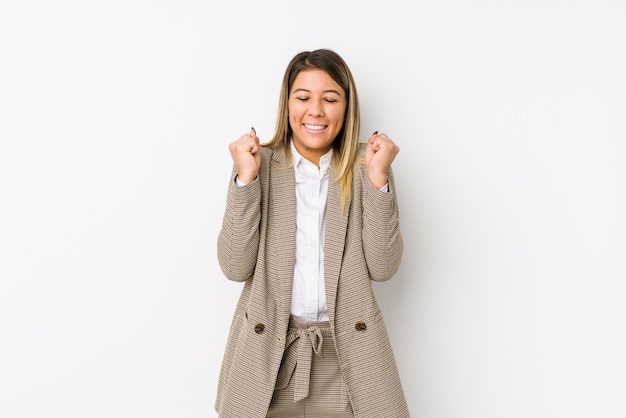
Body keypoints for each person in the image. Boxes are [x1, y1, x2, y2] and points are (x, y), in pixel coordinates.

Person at [215, 48, 409, 417]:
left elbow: (383, 267)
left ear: (347, 107)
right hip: (270, 356)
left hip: (348, 356)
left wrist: (379, 179)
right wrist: (245, 179)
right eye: (303, 97)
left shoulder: (366, 166)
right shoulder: (260, 165)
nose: (316, 111)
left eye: (330, 98)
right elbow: (234, 267)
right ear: (287, 104)